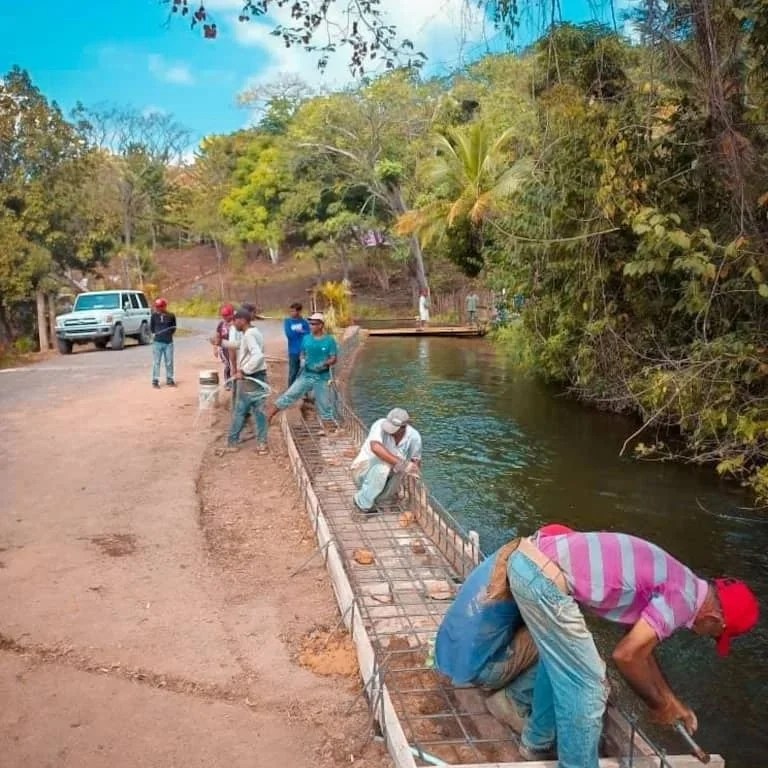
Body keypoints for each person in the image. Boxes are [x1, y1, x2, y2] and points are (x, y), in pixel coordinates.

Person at [502, 526, 760, 766]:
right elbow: (626, 656)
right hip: (542, 578)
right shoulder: (684, 600)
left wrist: (670, 700)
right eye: (715, 635)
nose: (708, 637)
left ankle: (536, 743)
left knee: (566, 666)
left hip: (532, 561)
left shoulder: (685, 584)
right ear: (714, 619)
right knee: (590, 686)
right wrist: (659, 706)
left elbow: (641, 649)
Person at [433, 523, 575, 759]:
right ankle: (515, 702)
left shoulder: (508, 554)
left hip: (447, 652)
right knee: (564, 645)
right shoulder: (536, 578)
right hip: (480, 671)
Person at [265, 312, 338, 429]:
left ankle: (329, 428)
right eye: (310, 323)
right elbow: (303, 353)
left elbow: (333, 358)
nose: (311, 326)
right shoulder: (306, 339)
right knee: (290, 394)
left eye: (313, 324)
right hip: (307, 374)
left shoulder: (329, 340)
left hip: (322, 377)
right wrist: (303, 359)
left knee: (324, 404)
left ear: (321, 325)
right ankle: (269, 416)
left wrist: (325, 363)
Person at [349, 408, 422, 514]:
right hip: (362, 472)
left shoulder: (414, 437)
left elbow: (415, 461)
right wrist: (402, 463)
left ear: (403, 427)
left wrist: (414, 471)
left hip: (385, 479)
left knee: (400, 469)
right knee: (385, 466)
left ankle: (382, 500)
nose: (389, 430)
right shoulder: (379, 425)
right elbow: (375, 447)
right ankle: (361, 503)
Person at [223, 309, 269, 454]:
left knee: (240, 410)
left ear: (242, 320)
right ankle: (262, 443)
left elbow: (258, 356)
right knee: (259, 411)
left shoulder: (249, 335)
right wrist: (222, 343)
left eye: (235, 321)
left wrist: (244, 371)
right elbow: (240, 345)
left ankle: (232, 443)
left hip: (250, 377)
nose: (233, 324)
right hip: (259, 375)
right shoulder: (254, 332)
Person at [150, 297, 176, 388]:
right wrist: (156, 334)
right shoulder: (154, 316)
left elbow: (173, 328)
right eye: (157, 307)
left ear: (164, 306)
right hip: (157, 342)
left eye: (160, 306)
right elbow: (152, 328)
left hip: (168, 343)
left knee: (169, 361)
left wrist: (168, 334)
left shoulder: (171, 315)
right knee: (156, 362)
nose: (158, 308)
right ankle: (155, 380)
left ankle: (170, 379)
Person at [284, 302, 310, 386]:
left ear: (299, 311)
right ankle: (290, 390)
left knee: (304, 372)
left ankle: (303, 391)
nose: (291, 313)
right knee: (293, 372)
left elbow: (308, 335)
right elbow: (289, 334)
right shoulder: (288, 322)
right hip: (293, 351)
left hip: (304, 351)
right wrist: (301, 332)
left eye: (293, 311)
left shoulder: (304, 322)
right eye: (290, 311)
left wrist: (299, 331)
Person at [214, 303, 235, 389]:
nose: (224, 317)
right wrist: (215, 348)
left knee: (234, 365)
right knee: (228, 364)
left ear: (231, 314)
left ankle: (235, 381)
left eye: (226, 315)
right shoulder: (221, 324)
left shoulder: (236, 323)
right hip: (224, 349)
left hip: (234, 348)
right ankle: (228, 382)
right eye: (223, 315)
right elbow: (217, 336)